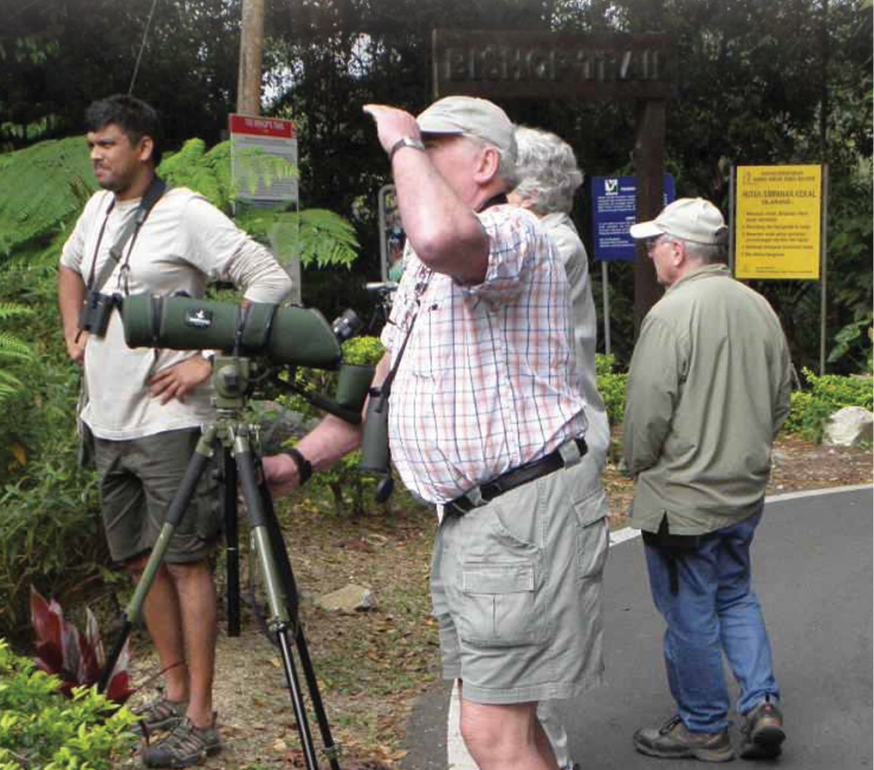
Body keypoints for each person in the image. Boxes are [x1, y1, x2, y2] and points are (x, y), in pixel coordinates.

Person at [263, 96, 603, 770]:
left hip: (515, 514)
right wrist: (297, 465)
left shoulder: (515, 233)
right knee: (510, 721)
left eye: (432, 144)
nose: (413, 156)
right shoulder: (427, 270)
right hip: (479, 518)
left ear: (484, 162)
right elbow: (383, 384)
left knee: (491, 734)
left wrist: (397, 140)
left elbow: (441, 236)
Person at [57, 94, 292, 769]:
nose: (96, 156)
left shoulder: (184, 212)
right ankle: (173, 686)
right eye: (91, 145)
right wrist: (72, 329)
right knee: (138, 559)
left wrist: (209, 358)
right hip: (106, 415)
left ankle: (200, 718)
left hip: (168, 420)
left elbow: (267, 279)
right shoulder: (97, 210)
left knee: (186, 562)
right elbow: (70, 266)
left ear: (143, 147)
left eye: (106, 144)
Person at [623, 198, 791, 762]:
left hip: (684, 500)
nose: (649, 254)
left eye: (655, 244)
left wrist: (634, 463)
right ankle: (762, 704)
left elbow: (647, 410)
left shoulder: (672, 314)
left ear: (677, 250)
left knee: (688, 613)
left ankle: (703, 726)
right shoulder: (758, 306)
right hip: (743, 492)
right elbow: (781, 398)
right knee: (735, 594)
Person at [509, 126, 611, 770]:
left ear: (527, 192)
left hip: (549, 464)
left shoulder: (547, 243)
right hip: (540, 460)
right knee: (520, 653)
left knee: (531, 651)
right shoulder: (544, 237)